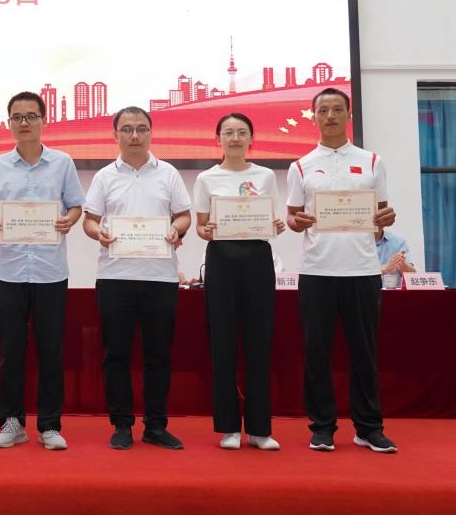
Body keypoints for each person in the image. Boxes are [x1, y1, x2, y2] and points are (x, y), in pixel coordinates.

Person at [287, 87, 398, 453]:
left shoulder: (372, 161)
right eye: (323, 110)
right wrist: (298, 222)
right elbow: (293, 218)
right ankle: (322, 427)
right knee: (316, 354)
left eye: (337, 109)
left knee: (364, 354)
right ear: (314, 117)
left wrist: (386, 217)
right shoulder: (300, 166)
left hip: (363, 270)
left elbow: (382, 213)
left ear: (349, 115)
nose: (331, 116)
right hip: (317, 270)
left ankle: (368, 428)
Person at [82, 106, 191, 451]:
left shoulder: (169, 173)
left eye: (141, 128)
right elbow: (89, 221)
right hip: (115, 277)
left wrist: (175, 230)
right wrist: (99, 232)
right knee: (116, 355)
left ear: (151, 133)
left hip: (160, 278)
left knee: (158, 355)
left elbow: (184, 216)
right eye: (127, 129)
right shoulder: (104, 177)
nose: (134, 135)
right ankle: (122, 424)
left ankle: (156, 425)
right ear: (115, 135)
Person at [0, 91, 84, 450]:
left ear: (44, 120)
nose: (24, 123)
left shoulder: (63, 163)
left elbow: (76, 206)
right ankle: (11, 423)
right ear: (9, 123)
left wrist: (68, 220)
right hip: (10, 270)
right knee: (11, 352)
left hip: (50, 271)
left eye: (31, 116)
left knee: (51, 351)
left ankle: (50, 425)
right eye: (17, 117)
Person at [193, 113, 285, 451]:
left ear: (251, 139)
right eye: (228, 132)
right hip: (221, 258)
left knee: (259, 341)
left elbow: (271, 218)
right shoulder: (206, 178)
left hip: (257, 257)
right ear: (217, 139)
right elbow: (201, 226)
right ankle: (229, 427)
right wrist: (207, 230)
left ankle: (260, 429)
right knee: (223, 341)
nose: (235, 138)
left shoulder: (265, 175)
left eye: (241, 132)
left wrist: (276, 225)